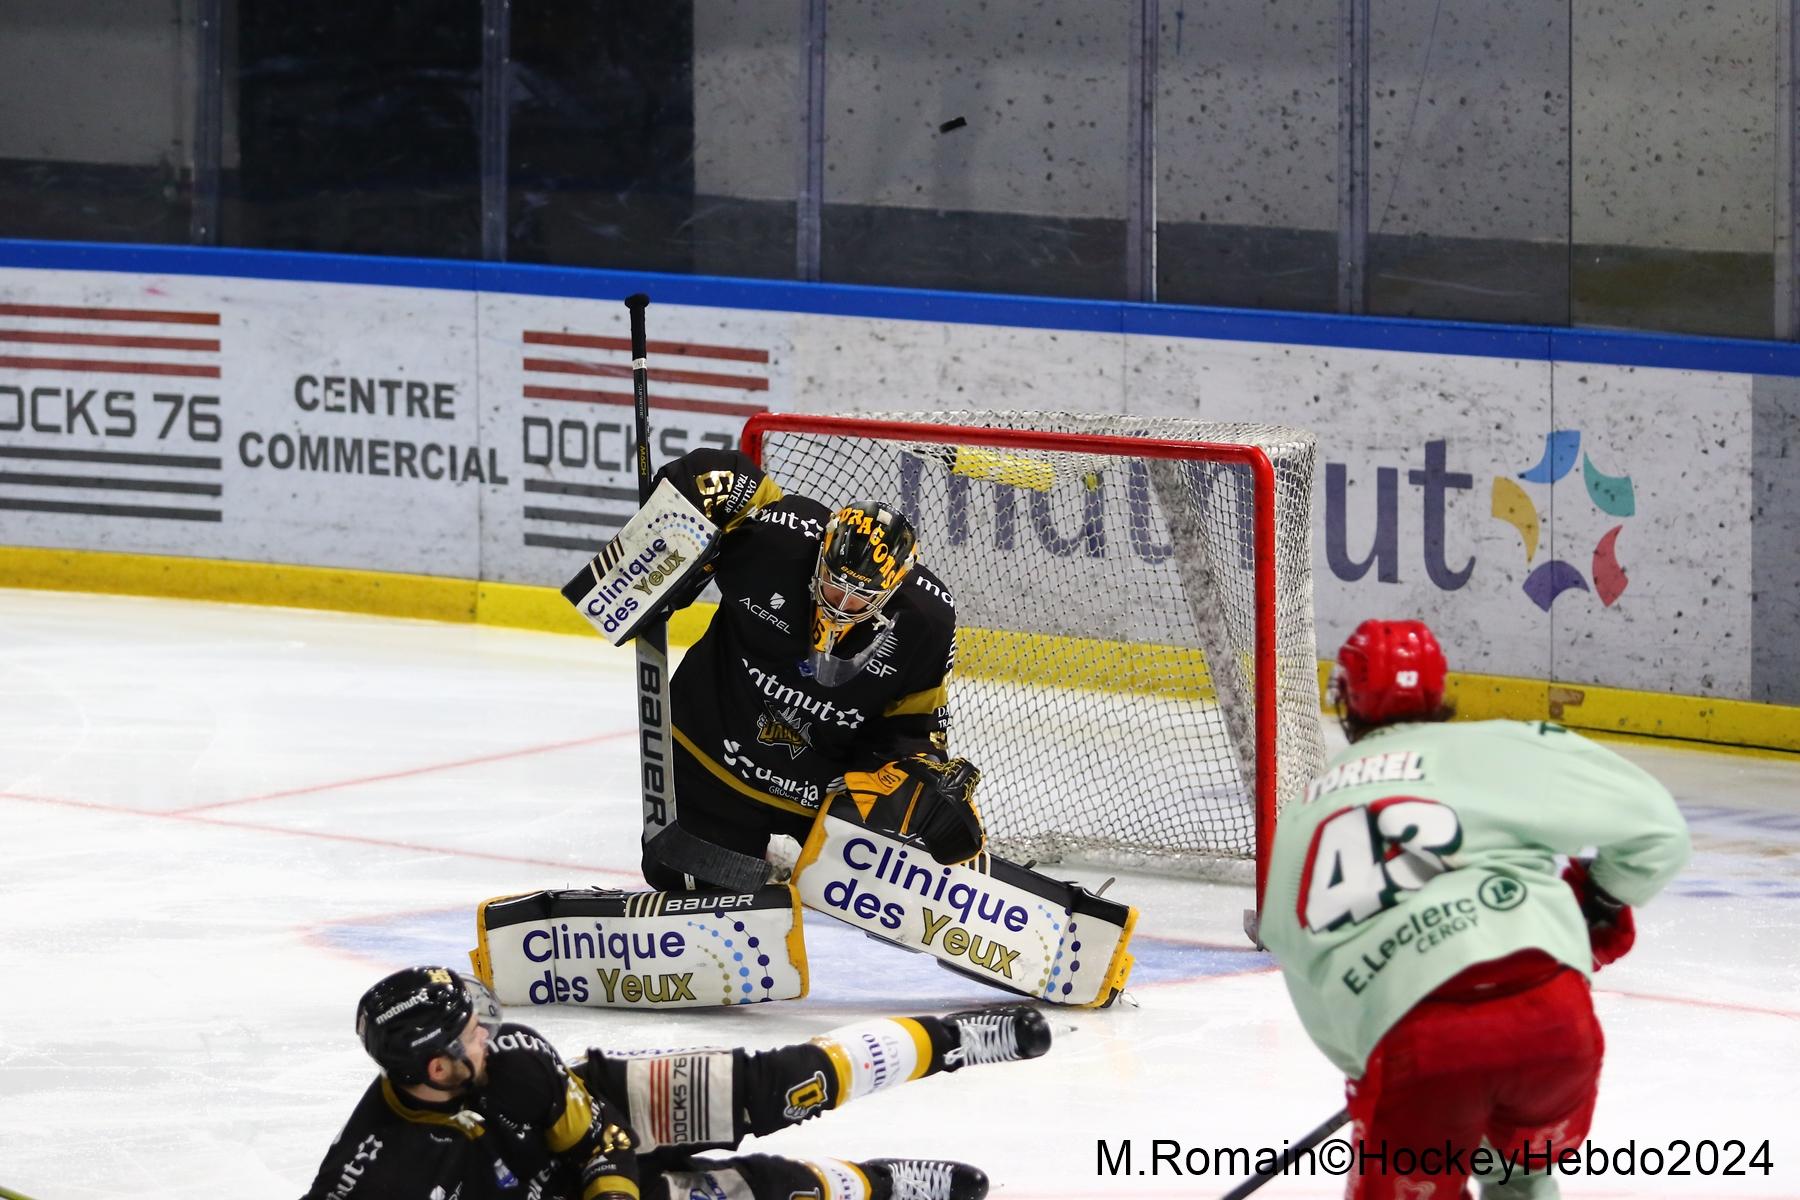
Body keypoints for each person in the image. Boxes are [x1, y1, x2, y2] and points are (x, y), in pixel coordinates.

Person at [1258, 619, 1690, 1200]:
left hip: (1421, 1050)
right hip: (1554, 1028)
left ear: (1345, 702)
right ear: (1440, 691)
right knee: (1520, 1173)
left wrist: (1371, 1066)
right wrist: (1601, 900)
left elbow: (1297, 953)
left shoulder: (1307, 814)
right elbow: (1660, 832)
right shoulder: (1508, 747)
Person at [303, 965, 1051, 1200]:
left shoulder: (517, 1060)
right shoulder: (375, 1168)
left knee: (791, 1084)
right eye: (470, 1030)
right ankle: (883, 1186)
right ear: (436, 1069)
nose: (486, 1031)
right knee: (770, 1192)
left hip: (605, 1110)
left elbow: (600, 1136)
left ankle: (955, 1040)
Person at [637, 447, 981, 891]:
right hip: (713, 753)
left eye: (857, 596)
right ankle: (765, 854)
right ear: (821, 552)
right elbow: (732, 484)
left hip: (816, 794)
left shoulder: (927, 621)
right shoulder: (777, 544)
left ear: (894, 588)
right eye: (832, 583)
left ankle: (798, 853)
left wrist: (921, 773)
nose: (839, 603)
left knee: (892, 892)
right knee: (671, 876)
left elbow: (915, 724)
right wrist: (680, 508)